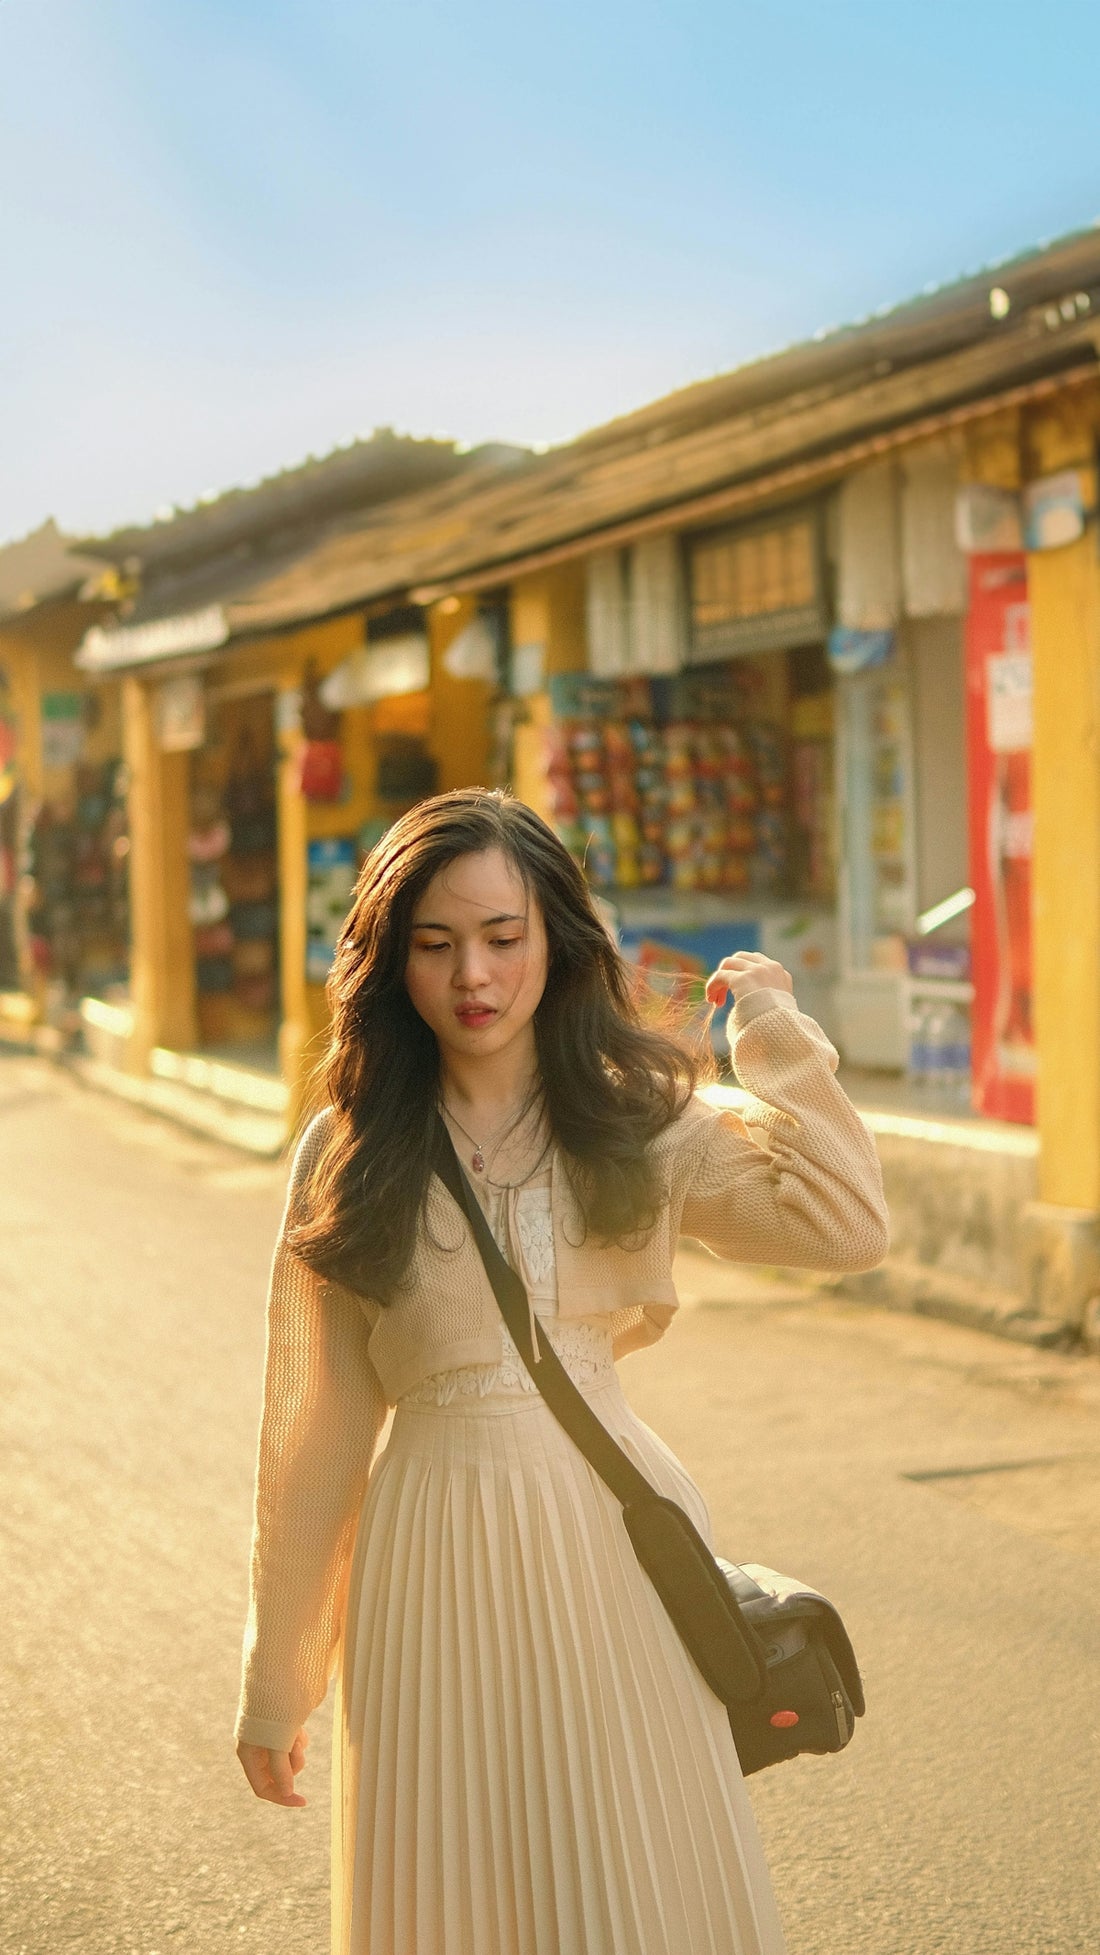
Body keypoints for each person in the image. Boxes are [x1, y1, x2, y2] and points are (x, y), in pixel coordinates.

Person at [235, 789, 889, 1955]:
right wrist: (276, 1679)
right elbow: (316, 1431)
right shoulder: (347, 1150)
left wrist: (776, 1039)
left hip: (614, 1543)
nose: (471, 974)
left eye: (501, 935)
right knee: (455, 1890)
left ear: (556, 938)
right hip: (427, 1556)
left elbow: (845, 1226)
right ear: (391, 964)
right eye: (434, 944)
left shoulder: (634, 1120)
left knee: (633, 1883)